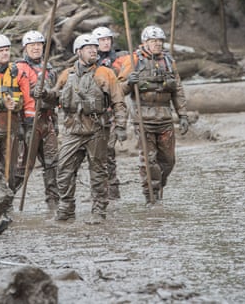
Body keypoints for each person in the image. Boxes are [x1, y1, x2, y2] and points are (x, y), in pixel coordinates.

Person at [35, 34, 127, 224]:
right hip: (73, 129)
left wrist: (120, 126)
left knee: (98, 172)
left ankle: (99, 212)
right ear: (78, 52)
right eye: (88, 48)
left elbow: (118, 101)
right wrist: (43, 93)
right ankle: (66, 210)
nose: (94, 50)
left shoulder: (105, 73)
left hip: (97, 129)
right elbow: (55, 96)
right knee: (64, 169)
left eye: (95, 47)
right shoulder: (67, 74)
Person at [119, 25, 196, 205]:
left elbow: (178, 90)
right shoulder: (133, 60)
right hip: (142, 118)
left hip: (165, 117)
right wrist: (129, 83)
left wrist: (183, 115)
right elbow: (118, 89)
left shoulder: (169, 61)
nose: (157, 44)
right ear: (144, 42)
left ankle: (159, 183)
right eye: (153, 41)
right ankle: (152, 196)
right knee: (149, 159)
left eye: (160, 41)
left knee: (169, 161)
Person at [15, 30, 60, 210]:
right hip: (28, 123)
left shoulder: (50, 70)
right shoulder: (17, 68)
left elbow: (57, 96)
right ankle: (7, 200)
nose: (36, 48)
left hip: (47, 122)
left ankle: (53, 202)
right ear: (25, 48)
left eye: (39, 45)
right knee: (24, 166)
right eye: (32, 45)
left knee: (52, 164)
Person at [91, 26, 130, 199]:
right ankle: (99, 189)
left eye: (108, 39)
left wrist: (129, 83)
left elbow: (122, 88)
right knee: (95, 153)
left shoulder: (121, 59)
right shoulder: (90, 61)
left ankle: (113, 190)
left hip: (113, 109)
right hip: (94, 112)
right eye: (101, 40)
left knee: (109, 151)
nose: (105, 43)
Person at [0, 34, 24, 192]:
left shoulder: (16, 71)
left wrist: (17, 105)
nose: (5, 53)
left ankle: (7, 202)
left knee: (10, 168)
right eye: (1, 50)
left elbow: (24, 96)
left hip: (10, 128)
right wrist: (1, 103)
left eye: (7, 50)